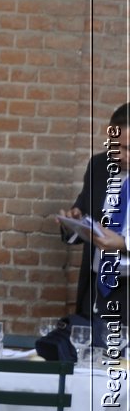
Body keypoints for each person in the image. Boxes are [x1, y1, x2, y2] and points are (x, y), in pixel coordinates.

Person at [59, 101, 128, 321]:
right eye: (115, 146)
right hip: (97, 288)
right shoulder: (99, 167)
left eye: (128, 149)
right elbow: (83, 211)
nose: (120, 155)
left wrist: (124, 244)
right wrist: (72, 221)